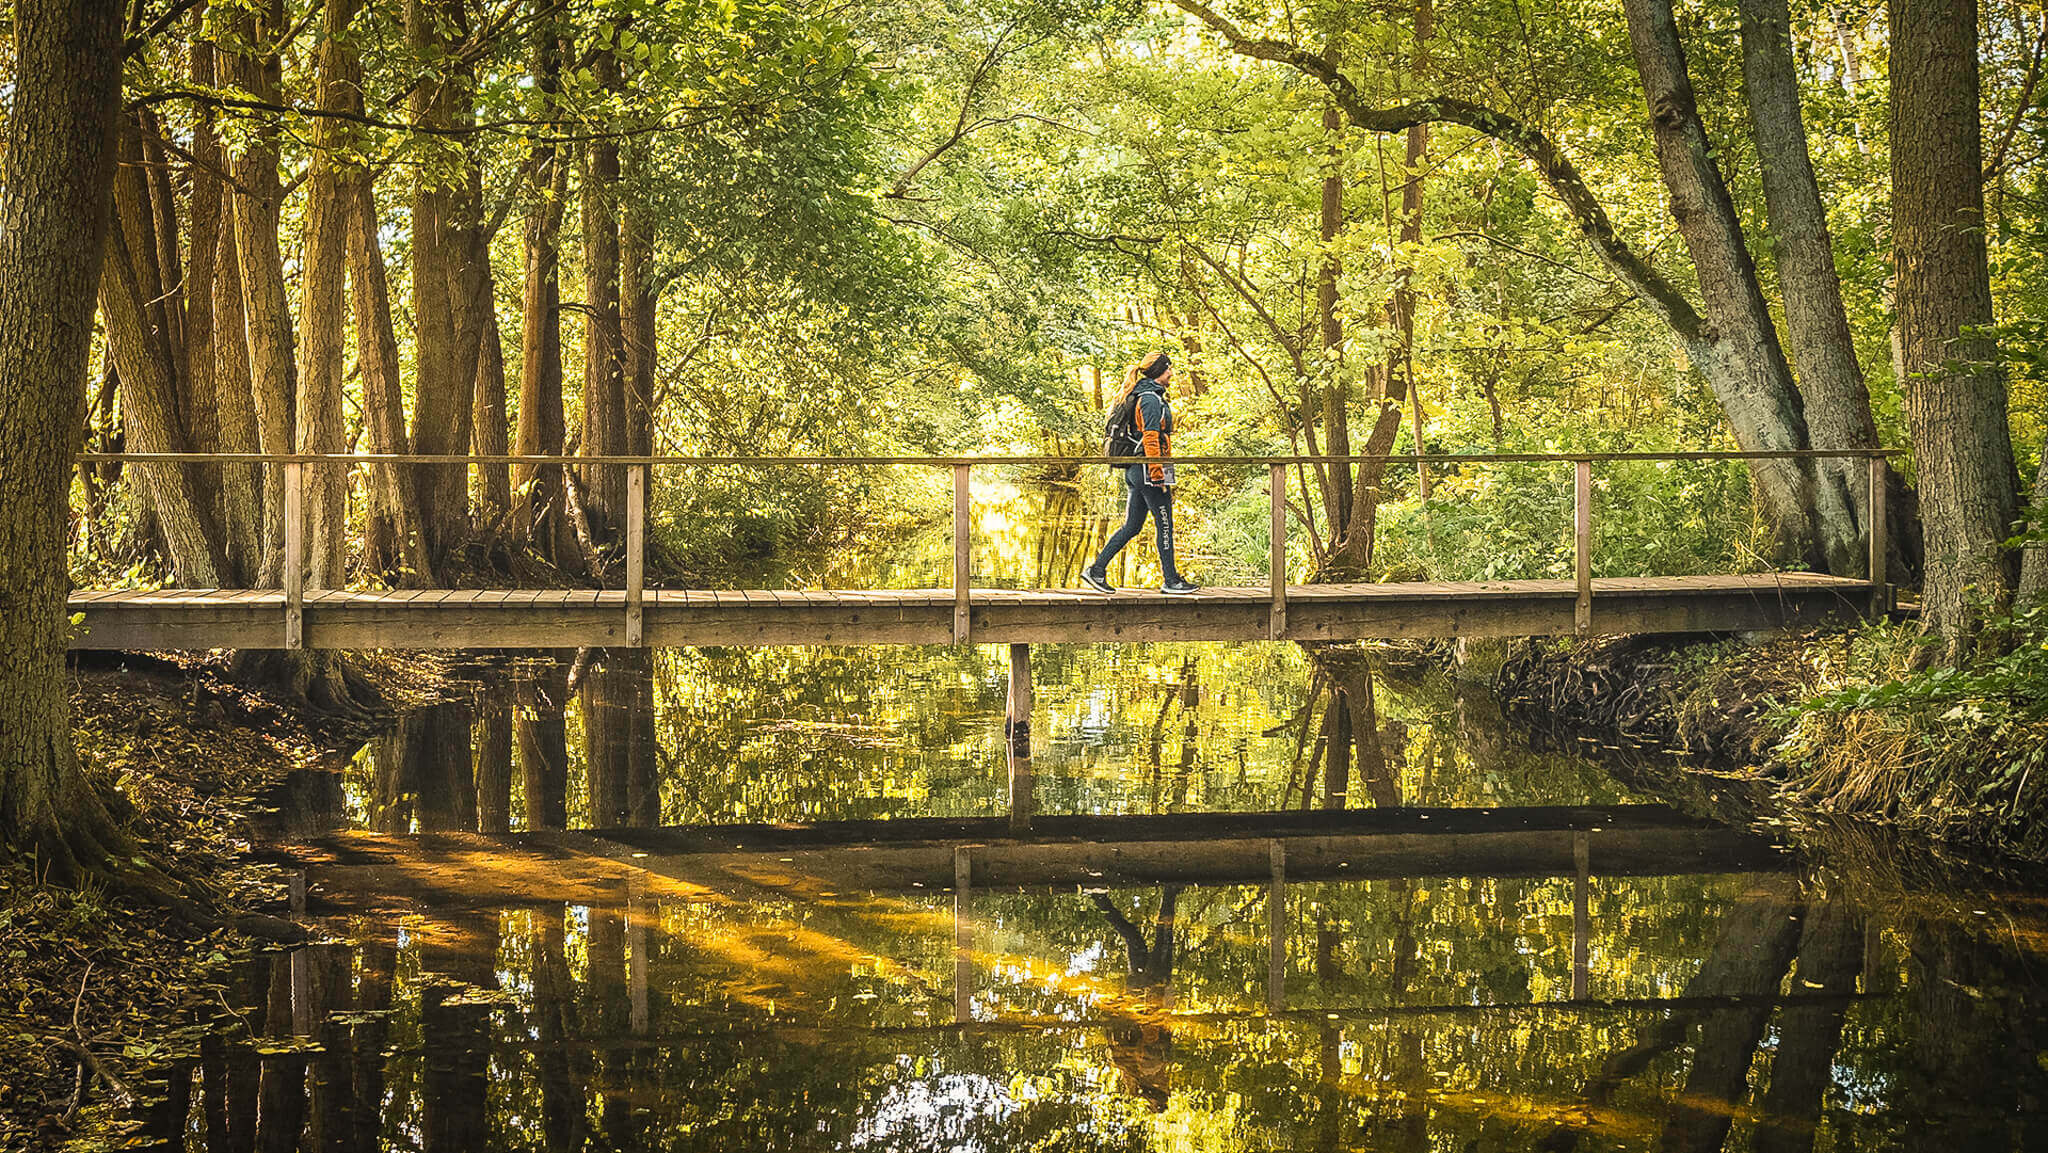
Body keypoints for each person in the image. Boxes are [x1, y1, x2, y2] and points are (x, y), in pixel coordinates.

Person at [1083, 351, 1199, 595]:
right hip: (1149, 468)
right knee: (1165, 523)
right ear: (1158, 372)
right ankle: (1171, 581)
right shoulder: (1149, 399)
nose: (1171, 374)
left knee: (1133, 526)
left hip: (1141, 468)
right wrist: (1158, 474)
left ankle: (1096, 570)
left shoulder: (1147, 395)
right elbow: (1151, 437)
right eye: (1168, 369)